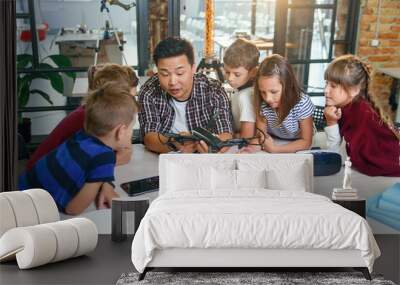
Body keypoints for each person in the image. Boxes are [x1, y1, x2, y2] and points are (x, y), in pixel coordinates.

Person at [19, 82, 138, 215]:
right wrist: (99, 181)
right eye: (131, 128)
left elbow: (89, 167)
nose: (131, 133)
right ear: (121, 131)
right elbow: (73, 209)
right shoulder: (105, 157)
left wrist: (106, 184)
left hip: (21, 193)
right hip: (34, 211)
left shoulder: (82, 135)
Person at [26, 63, 139, 170]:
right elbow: (97, 163)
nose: (132, 103)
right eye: (130, 98)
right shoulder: (92, 118)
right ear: (113, 97)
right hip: (42, 184)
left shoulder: (92, 110)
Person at [138, 37, 233, 153]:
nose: (172, 82)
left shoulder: (214, 91)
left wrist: (211, 147)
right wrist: (174, 143)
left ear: (193, 68)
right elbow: (149, 137)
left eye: (180, 73)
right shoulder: (149, 92)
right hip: (166, 158)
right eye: (164, 74)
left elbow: (225, 134)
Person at [323, 54, 400, 176]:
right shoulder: (346, 106)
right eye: (326, 83)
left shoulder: (360, 113)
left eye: (333, 86)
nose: (326, 90)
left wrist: (331, 122)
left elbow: (336, 157)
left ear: (354, 90)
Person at [245, 54, 314, 153]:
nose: (268, 99)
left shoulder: (302, 102)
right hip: (276, 140)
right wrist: (249, 150)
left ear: (288, 86)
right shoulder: (262, 103)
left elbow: (306, 142)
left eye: (273, 92)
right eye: (263, 92)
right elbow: (261, 136)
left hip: (297, 144)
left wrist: (275, 149)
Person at [223, 38, 259, 138]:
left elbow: (247, 136)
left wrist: (232, 135)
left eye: (237, 74)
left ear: (253, 72)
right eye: (227, 72)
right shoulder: (239, 88)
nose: (230, 78)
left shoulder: (245, 96)